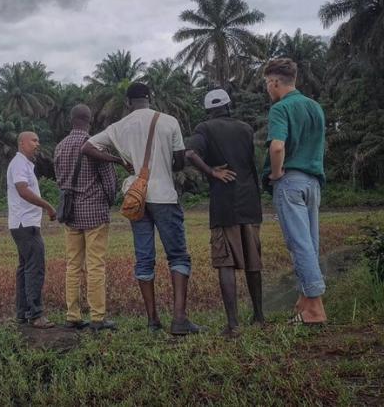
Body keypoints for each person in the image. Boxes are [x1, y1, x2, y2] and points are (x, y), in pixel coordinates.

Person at [83, 82, 203, 335]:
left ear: (128, 103)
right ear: (151, 98)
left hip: (135, 197)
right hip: (164, 196)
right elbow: (179, 162)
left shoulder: (118, 127)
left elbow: (88, 147)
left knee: (144, 258)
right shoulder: (169, 121)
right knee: (178, 256)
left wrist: (118, 160)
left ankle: (152, 321)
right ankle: (179, 319)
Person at [185, 89, 265, 337]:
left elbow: (189, 154)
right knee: (253, 263)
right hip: (250, 202)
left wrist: (211, 172)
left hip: (224, 205)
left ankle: (233, 325)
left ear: (209, 110)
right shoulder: (245, 128)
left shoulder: (205, 129)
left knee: (226, 263)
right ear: (229, 106)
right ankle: (259, 317)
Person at [261, 58, 327, 324]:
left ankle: (315, 308)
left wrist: (276, 174)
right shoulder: (315, 107)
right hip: (313, 181)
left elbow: (277, 147)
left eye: (267, 83)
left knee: (299, 244)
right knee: (310, 243)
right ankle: (305, 301)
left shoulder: (281, 108)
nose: (267, 88)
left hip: (291, 181)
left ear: (276, 82)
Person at [54, 104, 119, 331]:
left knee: (73, 266)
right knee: (95, 266)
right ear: (89, 120)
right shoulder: (96, 145)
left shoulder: (60, 147)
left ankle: (72, 315)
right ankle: (97, 318)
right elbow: (110, 182)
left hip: (71, 215)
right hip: (94, 214)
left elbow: (60, 180)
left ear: (71, 120)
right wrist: (108, 201)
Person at [7, 131, 56, 329]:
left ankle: (22, 313)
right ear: (21, 143)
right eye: (33, 140)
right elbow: (23, 190)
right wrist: (48, 206)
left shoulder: (25, 164)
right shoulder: (19, 163)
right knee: (35, 268)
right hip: (25, 224)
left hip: (22, 224)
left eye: (38, 140)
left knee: (24, 268)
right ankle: (36, 315)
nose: (37, 144)